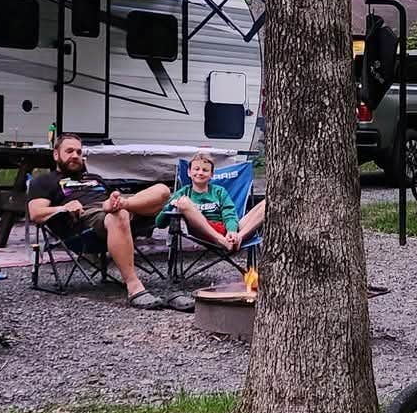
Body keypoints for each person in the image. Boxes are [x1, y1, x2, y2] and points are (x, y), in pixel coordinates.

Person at [26, 133, 188, 310]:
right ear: (56, 155)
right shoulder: (44, 181)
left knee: (163, 190)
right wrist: (63, 208)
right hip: (86, 218)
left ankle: (121, 204)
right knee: (118, 215)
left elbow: (115, 199)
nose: (75, 155)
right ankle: (134, 287)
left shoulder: (94, 178)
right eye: (69, 151)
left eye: (79, 152)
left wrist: (118, 203)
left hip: (115, 208)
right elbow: (36, 213)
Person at [169, 150, 265, 254]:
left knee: (267, 203)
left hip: (229, 231)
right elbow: (160, 222)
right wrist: (171, 206)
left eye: (205, 170)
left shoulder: (219, 191)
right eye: (196, 169)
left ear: (211, 174)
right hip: (204, 232)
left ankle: (237, 239)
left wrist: (232, 231)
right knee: (183, 201)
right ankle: (222, 241)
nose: (200, 173)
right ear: (189, 172)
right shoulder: (184, 192)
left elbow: (229, 212)